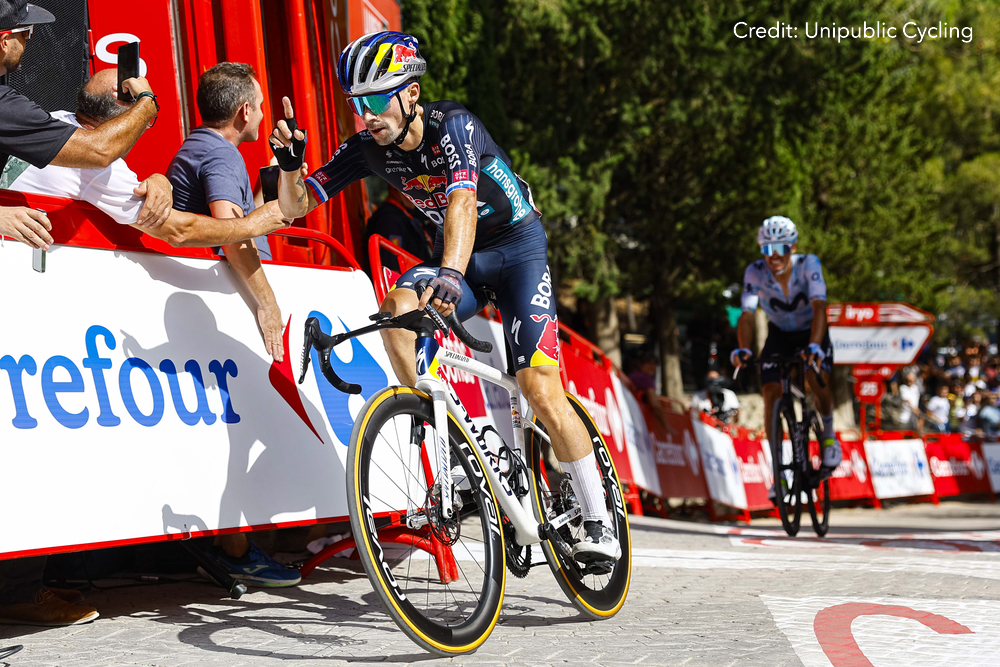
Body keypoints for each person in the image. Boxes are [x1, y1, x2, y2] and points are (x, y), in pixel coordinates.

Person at [271, 32, 620, 563]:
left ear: (411, 94)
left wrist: (451, 277)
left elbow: (461, 201)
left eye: (374, 99)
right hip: (462, 256)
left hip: (516, 250)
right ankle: (473, 441)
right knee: (395, 315)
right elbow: (294, 208)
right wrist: (291, 166)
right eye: (355, 103)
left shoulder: (453, 125)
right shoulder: (368, 148)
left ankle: (599, 522)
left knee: (540, 388)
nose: (364, 114)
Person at [168, 62, 299, 587]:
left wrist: (279, 166)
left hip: (212, 303)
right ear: (243, 111)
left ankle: (241, 543)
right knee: (244, 426)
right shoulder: (220, 155)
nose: (264, 114)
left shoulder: (205, 148)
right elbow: (231, 232)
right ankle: (236, 548)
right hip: (227, 303)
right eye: (261, 106)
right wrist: (267, 303)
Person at [10, 68, 301, 246]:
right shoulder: (100, 169)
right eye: (145, 122)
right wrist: (256, 224)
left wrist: (162, 180)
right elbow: (177, 231)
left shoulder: (56, 120)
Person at [0, 0, 158, 250]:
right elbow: (99, 151)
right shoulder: (5, 108)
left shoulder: (17, 108)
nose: (29, 41)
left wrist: (161, 180)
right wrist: (148, 102)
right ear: (4, 41)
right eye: (26, 32)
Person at [731, 216, 841, 494]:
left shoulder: (808, 264)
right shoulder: (755, 271)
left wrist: (815, 345)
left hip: (811, 331)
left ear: (792, 247)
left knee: (818, 381)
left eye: (780, 247)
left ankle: (828, 435)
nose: (774, 255)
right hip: (779, 334)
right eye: (767, 249)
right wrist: (744, 348)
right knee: (769, 391)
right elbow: (746, 313)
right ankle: (778, 472)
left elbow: (819, 308)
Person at [366, 185, 434, 273]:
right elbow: (391, 270)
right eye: (414, 187)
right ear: (394, 186)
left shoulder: (408, 214)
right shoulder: (389, 219)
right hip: (410, 282)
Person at [629, 352, 672, 433]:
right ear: (641, 364)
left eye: (655, 364)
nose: (652, 367)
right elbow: (655, 404)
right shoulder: (646, 379)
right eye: (649, 363)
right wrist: (665, 424)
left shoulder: (633, 376)